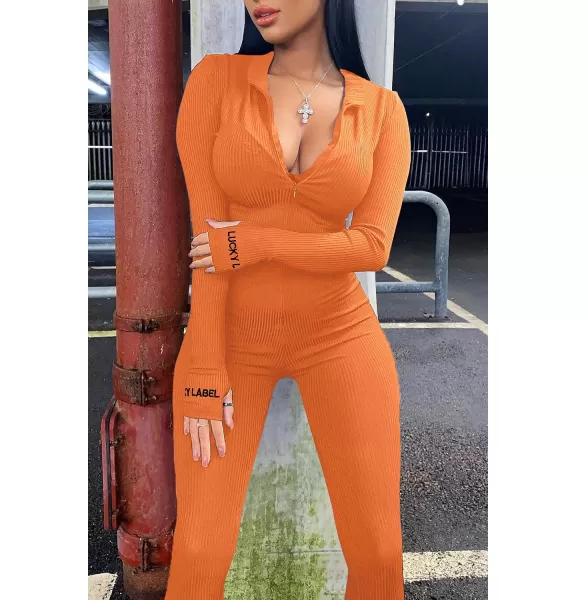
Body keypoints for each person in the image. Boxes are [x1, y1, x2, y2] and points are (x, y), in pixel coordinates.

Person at [166, 1, 411, 598]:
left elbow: (372, 246)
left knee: (379, 553)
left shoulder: (382, 110)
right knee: (198, 552)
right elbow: (208, 245)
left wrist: (258, 243)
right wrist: (203, 370)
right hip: (232, 337)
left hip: (339, 332)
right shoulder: (215, 82)